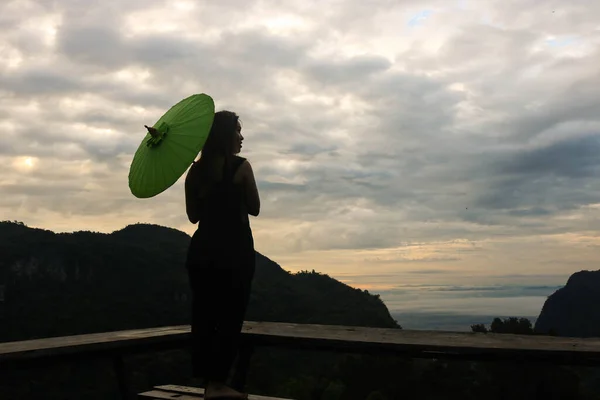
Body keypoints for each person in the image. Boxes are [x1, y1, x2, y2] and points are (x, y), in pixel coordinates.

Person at [183, 110, 260, 400]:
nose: (241, 137)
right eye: (237, 131)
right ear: (225, 135)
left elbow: (193, 216)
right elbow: (254, 207)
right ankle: (218, 384)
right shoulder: (241, 166)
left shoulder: (195, 172)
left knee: (203, 314)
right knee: (231, 315)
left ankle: (208, 383)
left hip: (202, 251)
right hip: (235, 251)